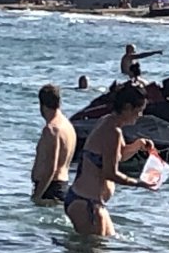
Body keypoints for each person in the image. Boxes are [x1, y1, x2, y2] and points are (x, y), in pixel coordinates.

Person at [64, 84, 156, 236]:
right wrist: (139, 183)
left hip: (91, 201)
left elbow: (118, 156)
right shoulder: (112, 131)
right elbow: (110, 173)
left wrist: (137, 145)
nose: (140, 115)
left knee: (109, 249)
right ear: (127, 107)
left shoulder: (108, 121)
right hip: (86, 202)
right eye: (138, 111)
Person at [31, 84, 77, 206]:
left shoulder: (52, 129)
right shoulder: (68, 126)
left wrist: (37, 196)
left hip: (50, 189)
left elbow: (51, 167)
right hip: (62, 186)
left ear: (42, 105)